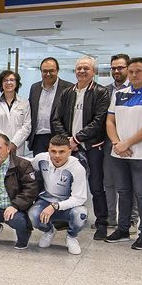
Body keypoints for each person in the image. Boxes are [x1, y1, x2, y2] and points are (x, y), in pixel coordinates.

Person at [104, 57, 142, 250]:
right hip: (119, 153)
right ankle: (123, 229)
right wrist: (116, 143)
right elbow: (110, 121)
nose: (134, 75)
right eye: (131, 71)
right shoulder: (120, 94)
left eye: (138, 71)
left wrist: (127, 143)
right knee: (123, 192)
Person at [51, 56, 111, 239]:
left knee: (96, 186)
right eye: (79, 68)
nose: (82, 71)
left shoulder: (101, 92)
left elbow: (99, 121)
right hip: (69, 148)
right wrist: (67, 140)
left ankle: (101, 223)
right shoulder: (67, 92)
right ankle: (64, 218)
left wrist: (76, 138)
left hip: (92, 146)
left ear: (93, 72)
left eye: (86, 68)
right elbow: (56, 118)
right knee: (65, 184)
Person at [29, 136, 89, 254]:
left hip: (69, 205)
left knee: (81, 215)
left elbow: (79, 198)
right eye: (53, 151)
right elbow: (27, 165)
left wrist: (55, 206)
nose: (57, 155)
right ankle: (49, 231)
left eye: (61, 152)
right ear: (48, 150)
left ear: (69, 151)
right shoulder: (41, 159)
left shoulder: (77, 168)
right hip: (45, 201)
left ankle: (71, 237)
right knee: (32, 215)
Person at [103, 53, 131, 236]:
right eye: (113, 68)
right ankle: (110, 216)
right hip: (109, 141)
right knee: (109, 182)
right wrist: (114, 141)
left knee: (129, 184)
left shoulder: (137, 90)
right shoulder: (105, 90)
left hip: (131, 142)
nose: (116, 71)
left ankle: (131, 219)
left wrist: (124, 142)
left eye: (120, 67)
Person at [28, 57, 74, 155]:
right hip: (38, 138)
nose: (48, 74)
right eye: (45, 71)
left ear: (57, 70)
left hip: (59, 138)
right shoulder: (34, 88)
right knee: (40, 168)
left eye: (51, 71)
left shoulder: (69, 88)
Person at [0, 69, 32, 157]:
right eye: (5, 80)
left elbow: (27, 127)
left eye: (11, 80)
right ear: (1, 83)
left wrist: (14, 143)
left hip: (17, 146)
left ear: (17, 83)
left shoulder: (24, 102)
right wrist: (4, 143)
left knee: (16, 169)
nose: (8, 83)